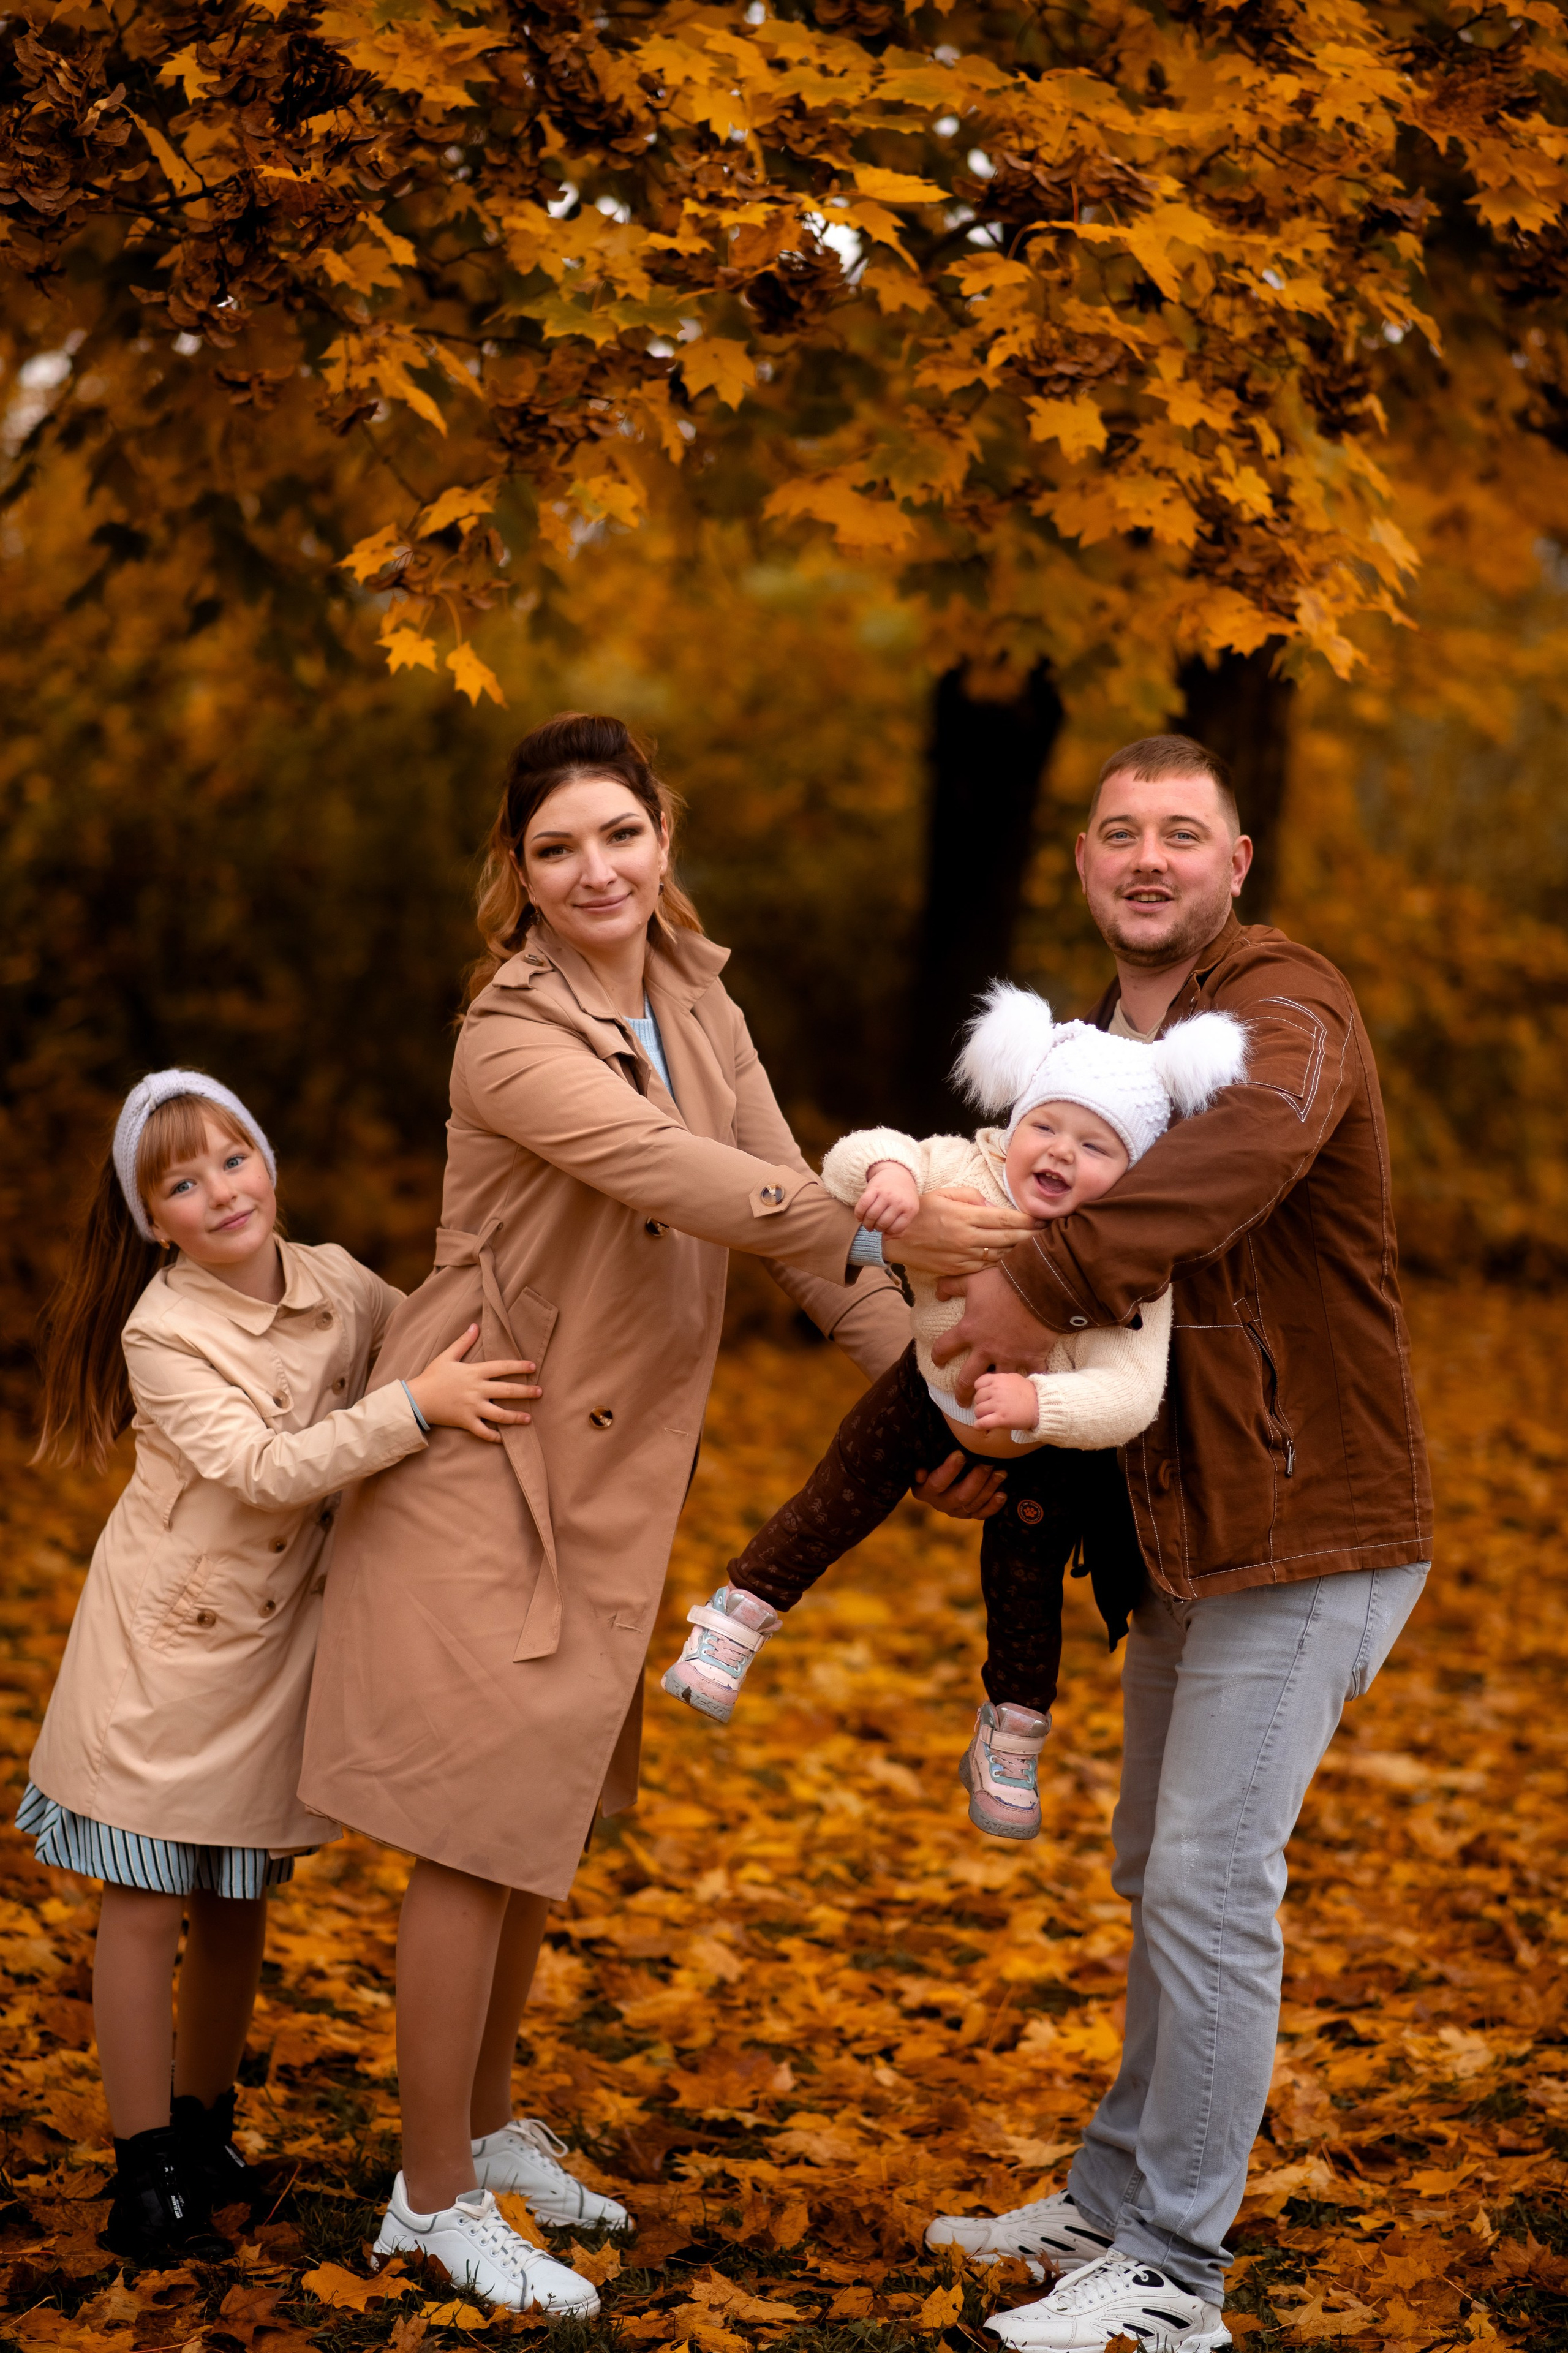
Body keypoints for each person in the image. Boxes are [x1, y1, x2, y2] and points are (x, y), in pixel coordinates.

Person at [296, 713, 1028, 2315]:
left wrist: (942, 1405)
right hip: (485, 1440)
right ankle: (424, 2200)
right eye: (556, 847)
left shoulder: (695, 995)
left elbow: (803, 1240)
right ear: (520, 872)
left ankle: (481, 2133)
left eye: (617, 834)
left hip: (608, 1458)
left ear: (663, 833)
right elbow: (709, 1185)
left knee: (535, 1822)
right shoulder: (509, 1032)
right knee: (468, 1832)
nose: (594, 870)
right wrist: (923, 1208)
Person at [918, 736, 1433, 2353]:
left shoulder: (1284, 1007)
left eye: (1183, 834)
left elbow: (1252, 1149)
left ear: (1238, 860)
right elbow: (1112, 1359)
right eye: (1121, 832)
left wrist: (1032, 1284)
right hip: (1182, 1530)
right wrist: (994, 1432)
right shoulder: (1092, 1058)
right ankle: (1117, 2198)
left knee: (1212, 1883)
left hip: (1314, 1518)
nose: (1151, 857)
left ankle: (1174, 2282)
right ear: (1083, 862)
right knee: (1160, 1874)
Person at [21, 1070, 535, 2267]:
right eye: (181, 1182)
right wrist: (416, 1407)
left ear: (268, 1160)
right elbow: (261, 1465)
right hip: (165, 1661)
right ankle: (144, 2169)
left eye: (232, 1158)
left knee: (237, 1900)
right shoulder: (164, 1332)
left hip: (275, 1663)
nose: (219, 1190)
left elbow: (440, 1332)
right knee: (147, 1905)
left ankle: (205, 2132)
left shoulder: (339, 1279)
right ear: (156, 1221)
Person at [659, 983, 1247, 1843]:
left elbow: (1130, 1393)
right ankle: (732, 1624)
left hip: (1043, 1443)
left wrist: (1041, 1401)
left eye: (1095, 1146)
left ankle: (1008, 1738)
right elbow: (859, 1151)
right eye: (1046, 1126)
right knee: (835, 1502)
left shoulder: (1130, 1263)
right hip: (923, 1396)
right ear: (1018, 1121)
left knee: (1026, 1593)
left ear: (1135, 1172)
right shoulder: (968, 1167)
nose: (1057, 1153)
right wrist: (893, 1180)